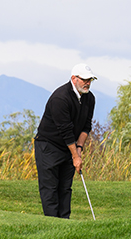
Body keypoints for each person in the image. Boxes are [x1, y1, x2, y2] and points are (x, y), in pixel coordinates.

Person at [34, 64, 97, 218]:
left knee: (65, 187)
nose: (87, 83)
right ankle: (52, 222)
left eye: (90, 80)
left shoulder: (90, 98)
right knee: (50, 187)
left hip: (70, 147)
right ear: (74, 78)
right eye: (84, 79)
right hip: (49, 146)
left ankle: (64, 222)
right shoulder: (60, 98)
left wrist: (80, 147)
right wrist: (75, 156)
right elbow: (66, 131)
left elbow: (86, 126)